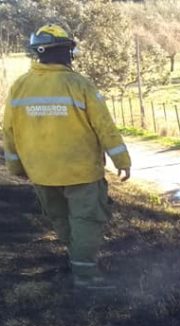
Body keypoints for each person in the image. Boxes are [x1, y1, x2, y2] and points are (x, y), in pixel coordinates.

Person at [3, 23, 131, 290]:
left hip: (41, 172)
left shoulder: (19, 87)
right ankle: (85, 275)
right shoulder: (79, 84)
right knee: (85, 220)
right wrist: (122, 160)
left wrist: (15, 166)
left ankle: (76, 259)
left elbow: (9, 131)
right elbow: (104, 126)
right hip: (81, 172)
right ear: (66, 51)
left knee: (60, 218)